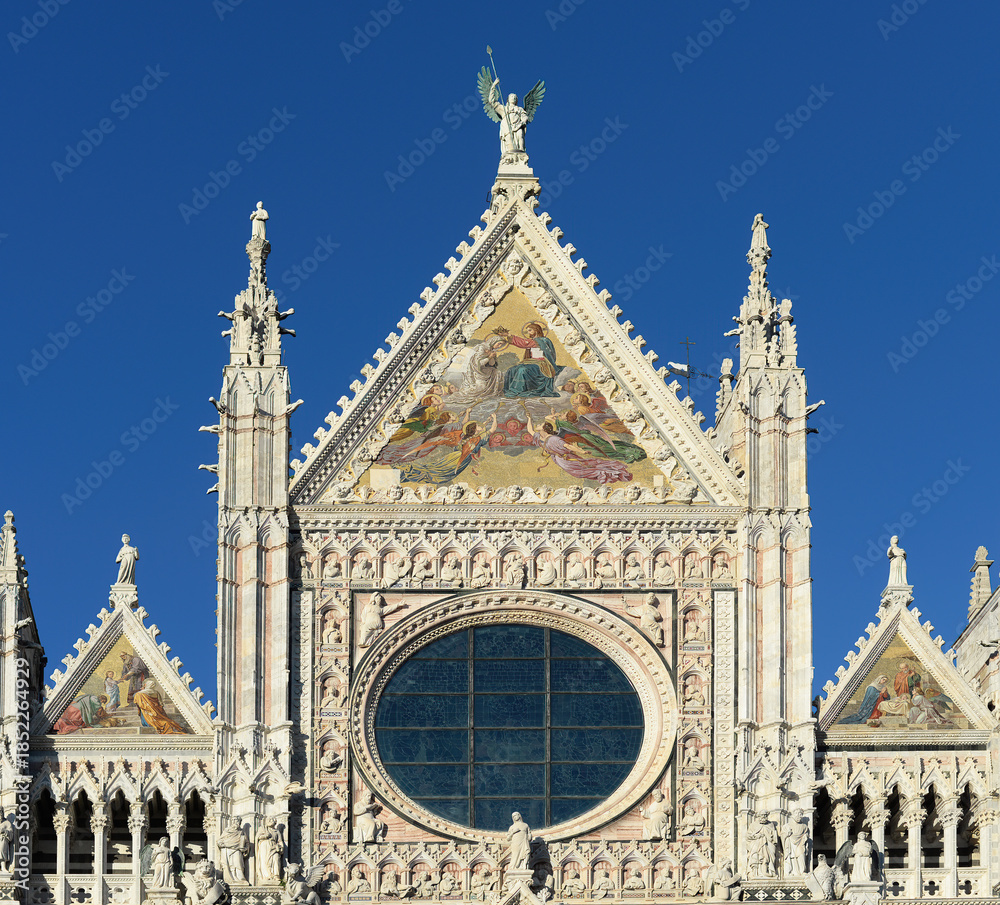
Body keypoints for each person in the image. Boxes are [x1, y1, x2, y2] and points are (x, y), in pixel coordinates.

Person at [495, 323, 562, 398]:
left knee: (522, 370)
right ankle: (509, 390)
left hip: (542, 363)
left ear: (536, 330)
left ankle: (517, 390)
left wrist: (509, 335)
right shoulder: (533, 341)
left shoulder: (543, 340)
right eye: (527, 331)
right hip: (531, 362)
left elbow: (524, 343)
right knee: (512, 369)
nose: (529, 333)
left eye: (530, 330)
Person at [217, 816, 249, 884]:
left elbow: (247, 843)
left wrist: (245, 849)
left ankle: (240, 878)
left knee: (238, 864)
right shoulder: (227, 830)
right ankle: (231, 878)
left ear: (240, 823)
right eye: (234, 820)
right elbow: (220, 841)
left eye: (237, 821)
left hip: (237, 850)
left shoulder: (241, 832)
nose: (235, 822)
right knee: (230, 865)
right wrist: (223, 844)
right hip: (227, 849)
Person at [256, 816, 283, 884]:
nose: (270, 821)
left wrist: (280, 847)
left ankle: (276, 875)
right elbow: (257, 837)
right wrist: (265, 836)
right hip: (264, 846)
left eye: (272, 819)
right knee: (264, 860)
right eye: (268, 819)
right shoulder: (262, 829)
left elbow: (280, 841)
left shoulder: (277, 831)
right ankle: (266, 876)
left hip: (274, 847)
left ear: (275, 822)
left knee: (276, 859)